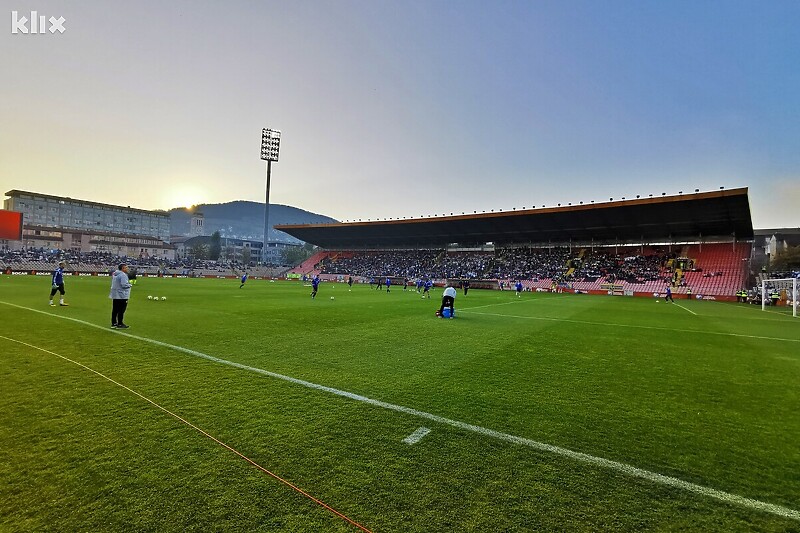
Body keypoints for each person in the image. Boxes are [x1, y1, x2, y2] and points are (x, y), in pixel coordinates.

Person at [109, 263, 132, 328]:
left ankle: (113, 323)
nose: (127, 269)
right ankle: (120, 323)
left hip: (115, 294)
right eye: (126, 267)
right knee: (121, 310)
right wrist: (130, 285)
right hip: (122, 295)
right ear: (123, 268)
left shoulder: (115, 274)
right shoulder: (123, 275)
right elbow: (124, 285)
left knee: (115, 309)